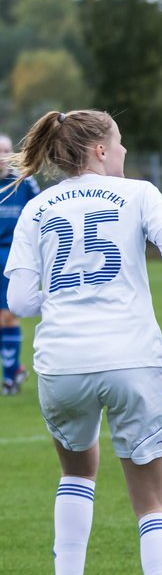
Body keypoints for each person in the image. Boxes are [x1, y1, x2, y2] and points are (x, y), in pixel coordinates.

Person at [3, 110, 162, 575]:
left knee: (77, 474)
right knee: (153, 502)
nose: (124, 154)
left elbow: (23, 304)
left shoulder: (35, 207)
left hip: (61, 365)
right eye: (120, 144)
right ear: (99, 150)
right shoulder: (138, 194)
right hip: (131, 360)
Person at [0, 133, 40, 394]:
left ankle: (10, 378)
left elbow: (40, 214)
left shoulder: (24, 183)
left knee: (8, 316)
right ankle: (15, 371)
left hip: (12, 254)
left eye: (4, 151)